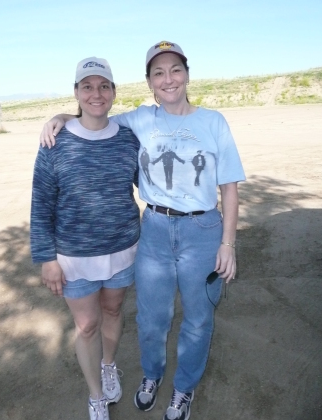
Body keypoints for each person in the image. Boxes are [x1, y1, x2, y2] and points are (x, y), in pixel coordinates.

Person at [40, 41, 245, 420]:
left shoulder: (213, 121)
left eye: (175, 70)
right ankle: (152, 375)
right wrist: (61, 116)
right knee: (152, 317)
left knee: (198, 318)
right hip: (153, 227)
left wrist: (227, 244)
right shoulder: (140, 119)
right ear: (149, 82)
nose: (168, 79)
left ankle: (183, 387)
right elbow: (94, 117)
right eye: (158, 73)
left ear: (186, 74)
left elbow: (229, 186)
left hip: (203, 229)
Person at [31, 57, 140, 420]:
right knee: (87, 324)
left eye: (104, 86)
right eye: (88, 86)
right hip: (73, 257)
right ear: (76, 92)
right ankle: (96, 396)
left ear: (113, 92)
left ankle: (110, 365)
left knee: (112, 311)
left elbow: (151, 183)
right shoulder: (56, 141)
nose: (97, 93)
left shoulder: (128, 137)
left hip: (123, 250)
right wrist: (47, 258)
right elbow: (41, 202)